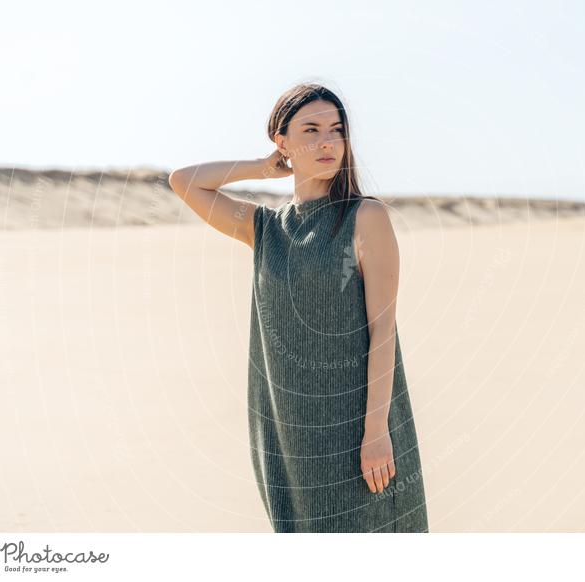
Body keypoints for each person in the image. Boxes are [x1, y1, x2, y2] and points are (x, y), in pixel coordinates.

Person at [168, 82, 429, 532]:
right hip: (287, 434)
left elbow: (383, 329)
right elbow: (184, 181)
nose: (327, 141)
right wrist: (261, 168)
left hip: (360, 431)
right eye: (311, 130)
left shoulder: (364, 217)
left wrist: (376, 432)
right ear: (283, 142)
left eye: (336, 130)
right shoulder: (264, 228)